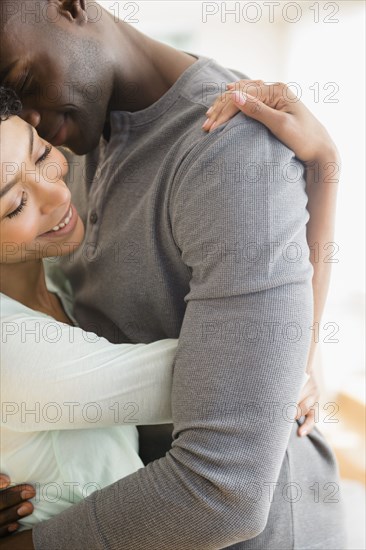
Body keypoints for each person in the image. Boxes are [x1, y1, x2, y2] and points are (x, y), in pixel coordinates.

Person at [0, 1, 346, 549]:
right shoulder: (70, 140)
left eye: (24, 81)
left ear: (69, 7)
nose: (30, 118)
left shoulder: (231, 145)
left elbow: (226, 486)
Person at [0, 85, 177, 529]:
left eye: (40, 156)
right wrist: (319, 173)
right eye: (15, 204)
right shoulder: (10, 345)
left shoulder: (63, 282)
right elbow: (228, 376)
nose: (58, 195)